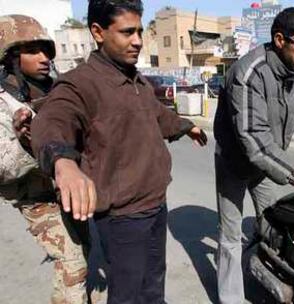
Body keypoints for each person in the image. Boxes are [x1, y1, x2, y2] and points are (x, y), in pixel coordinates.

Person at [30, 1, 207, 303]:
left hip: (155, 204)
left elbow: (158, 115)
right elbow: (52, 121)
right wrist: (63, 161)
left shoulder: (135, 79)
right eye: (127, 32)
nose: (138, 40)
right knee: (127, 294)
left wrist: (185, 126)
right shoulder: (80, 82)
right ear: (98, 32)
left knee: (153, 287)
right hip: (123, 217)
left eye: (139, 31)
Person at [213, 7, 294, 304]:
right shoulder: (248, 73)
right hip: (234, 162)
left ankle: (269, 277)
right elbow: (255, 143)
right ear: (279, 40)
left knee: (273, 223)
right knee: (231, 234)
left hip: (268, 165)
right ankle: (230, 298)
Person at [0, 14, 89, 304]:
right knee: (73, 261)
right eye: (32, 51)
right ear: (12, 56)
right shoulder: (5, 102)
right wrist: (26, 143)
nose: (43, 58)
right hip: (33, 196)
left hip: (66, 188)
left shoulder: (55, 89)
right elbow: (4, 171)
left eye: (46, 51)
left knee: (83, 250)